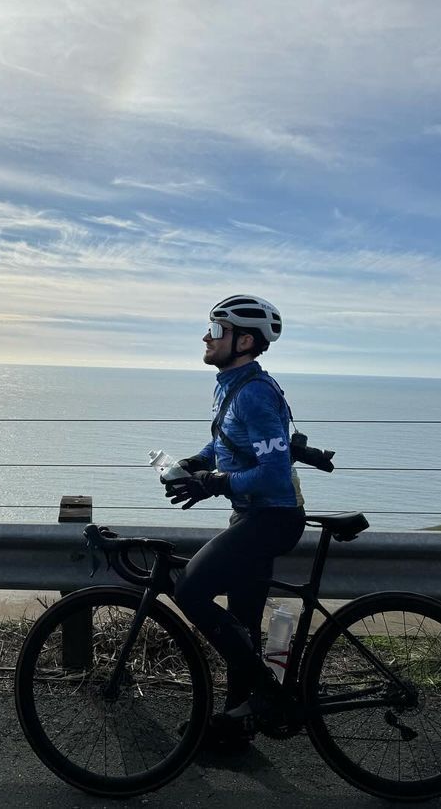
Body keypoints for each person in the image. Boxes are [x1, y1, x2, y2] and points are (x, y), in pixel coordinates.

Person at [162, 294, 306, 751]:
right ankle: (237, 726)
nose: (206, 337)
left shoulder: (256, 393)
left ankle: (265, 692)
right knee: (242, 620)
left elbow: (273, 473)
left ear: (244, 341)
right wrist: (195, 463)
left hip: (271, 518)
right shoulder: (233, 384)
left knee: (188, 590)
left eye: (216, 330)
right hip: (253, 514)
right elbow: (227, 443)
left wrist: (215, 483)